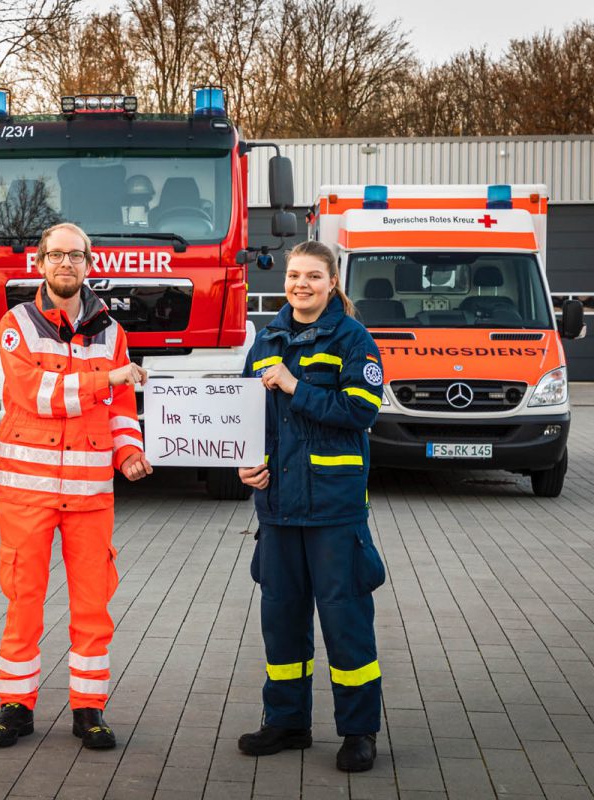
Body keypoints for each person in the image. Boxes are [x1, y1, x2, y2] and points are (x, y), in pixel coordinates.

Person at [0, 222, 151, 750]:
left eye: (76, 256)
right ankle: (15, 706)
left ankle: (89, 708)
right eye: (56, 256)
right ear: (39, 263)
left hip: (89, 492)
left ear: (89, 264)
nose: (66, 265)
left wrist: (129, 452)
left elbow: (122, 409)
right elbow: (36, 393)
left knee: (93, 604)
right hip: (27, 491)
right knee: (23, 600)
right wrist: (108, 379)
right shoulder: (17, 325)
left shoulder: (111, 331)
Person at [236, 240, 386, 772]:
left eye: (313, 276)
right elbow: (246, 415)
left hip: (333, 509)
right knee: (281, 622)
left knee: (345, 623)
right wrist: (243, 462)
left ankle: (359, 731)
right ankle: (287, 722)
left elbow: (361, 410)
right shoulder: (268, 337)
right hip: (276, 509)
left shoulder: (353, 339)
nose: (300, 284)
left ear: (332, 282)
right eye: (295, 275)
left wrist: (296, 385)